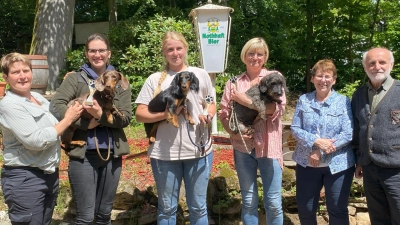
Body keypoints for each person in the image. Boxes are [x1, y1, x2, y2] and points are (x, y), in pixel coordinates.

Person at [50, 33, 132, 224]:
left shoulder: (119, 80)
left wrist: (99, 116)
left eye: (101, 50)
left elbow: (126, 117)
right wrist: (85, 123)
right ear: (87, 53)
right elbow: (56, 106)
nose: (97, 54)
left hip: (112, 156)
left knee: (104, 215)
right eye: (93, 50)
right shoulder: (76, 79)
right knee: (86, 217)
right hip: (83, 155)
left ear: (109, 53)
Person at [135, 31, 216, 224]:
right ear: (164, 52)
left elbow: (211, 102)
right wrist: (167, 114)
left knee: (198, 207)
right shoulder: (154, 79)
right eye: (170, 49)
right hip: (165, 155)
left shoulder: (201, 75)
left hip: (199, 152)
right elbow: (140, 115)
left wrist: (209, 113)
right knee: (167, 209)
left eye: (179, 48)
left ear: (185, 49)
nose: (175, 53)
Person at [0, 53, 83, 225]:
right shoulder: (9, 104)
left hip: (49, 175)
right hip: (25, 179)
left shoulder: (37, 98)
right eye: (16, 72)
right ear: (5, 77)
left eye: (26, 70)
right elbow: (36, 141)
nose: (22, 76)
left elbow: (55, 124)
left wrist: (70, 87)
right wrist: (69, 119)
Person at [218, 37, 285, 225]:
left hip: (268, 146)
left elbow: (278, 109)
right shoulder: (233, 82)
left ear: (265, 57)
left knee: (272, 202)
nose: (255, 57)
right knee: (248, 201)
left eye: (260, 54)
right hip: (243, 147)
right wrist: (232, 132)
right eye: (251, 53)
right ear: (244, 56)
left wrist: (246, 102)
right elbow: (223, 113)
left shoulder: (273, 77)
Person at [291, 59, 355, 225]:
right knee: (306, 209)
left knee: (337, 209)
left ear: (334, 79)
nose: (323, 80)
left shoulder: (343, 101)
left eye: (327, 76)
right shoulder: (304, 100)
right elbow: (296, 129)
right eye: (319, 76)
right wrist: (316, 142)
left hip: (338, 165)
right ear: (312, 78)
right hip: (307, 164)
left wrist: (320, 150)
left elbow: (348, 133)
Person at [352, 47, 400, 225]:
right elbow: (357, 131)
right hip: (370, 169)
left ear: (391, 65)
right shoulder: (358, 95)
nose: (377, 67)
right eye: (371, 63)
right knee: (378, 219)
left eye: (382, 62)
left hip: (397, 169)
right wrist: (359, 159)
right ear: (365, 67)